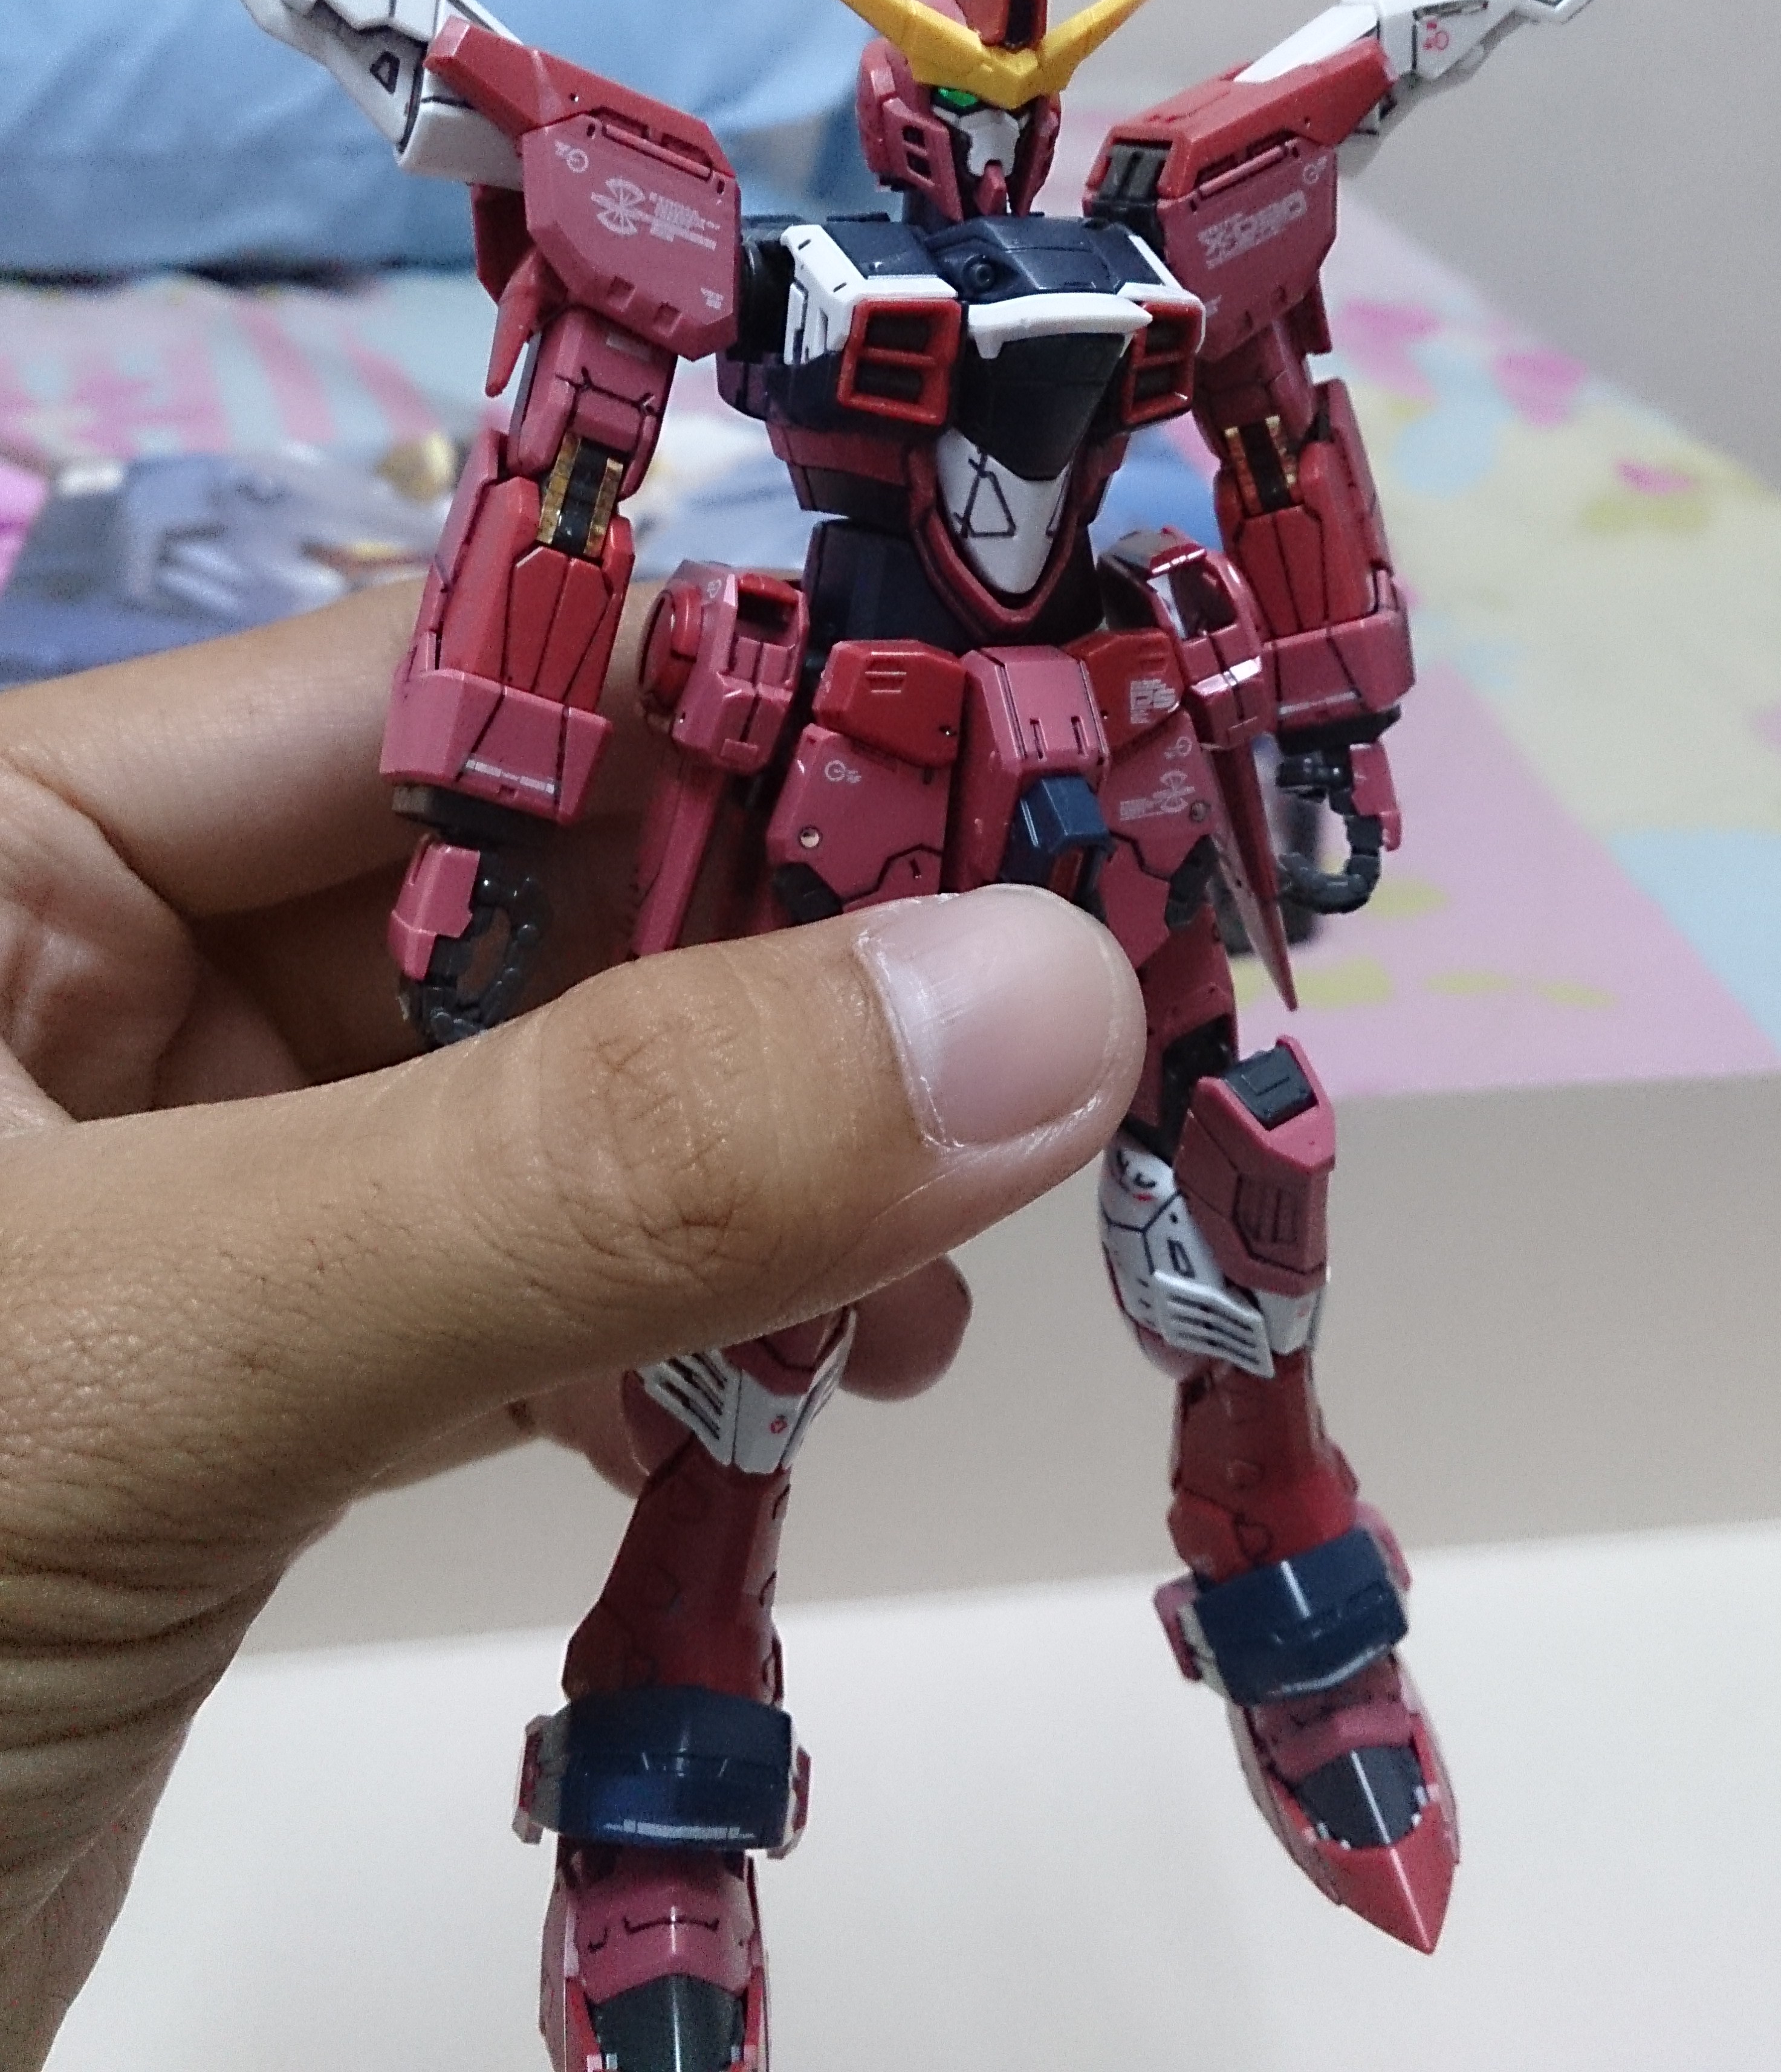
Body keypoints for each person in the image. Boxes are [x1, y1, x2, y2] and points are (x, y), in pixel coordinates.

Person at [0, 578, 1144, 2068]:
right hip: (830, 758)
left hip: (1104, 746)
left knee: (1244, 1156)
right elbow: (555, 509)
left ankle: (1283, 1542)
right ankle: (668, 1750)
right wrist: (480, 820)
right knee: (754, 1349)